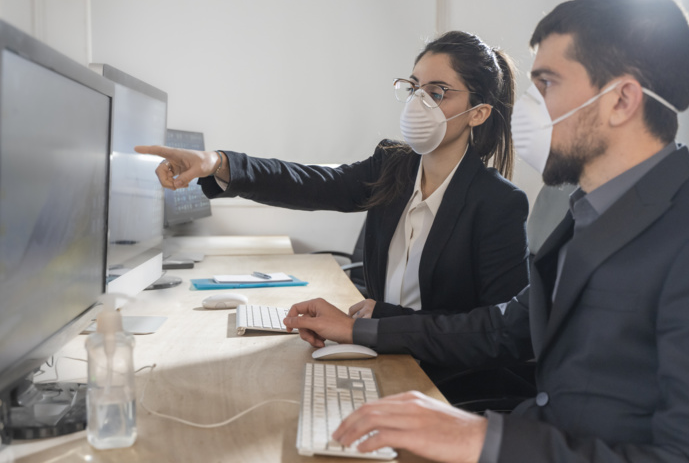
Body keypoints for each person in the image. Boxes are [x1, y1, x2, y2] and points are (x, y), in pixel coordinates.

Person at [281, 0, 689, 461]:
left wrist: (481, 438)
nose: (527, 109)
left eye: (548, 84)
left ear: (621, 100)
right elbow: (500, 328)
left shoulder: (683, 235)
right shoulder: (589, 212)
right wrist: (362, 330)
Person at [136, 32, 530, 390]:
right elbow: (309, 181)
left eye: (438, 92)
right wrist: (216, 162)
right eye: (414, 87)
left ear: (478, 113)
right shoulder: (392, 167)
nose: (418, 102)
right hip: (386, 358)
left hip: (444, 382)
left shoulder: (498, 204)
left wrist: (377, 324)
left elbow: (493, 334)